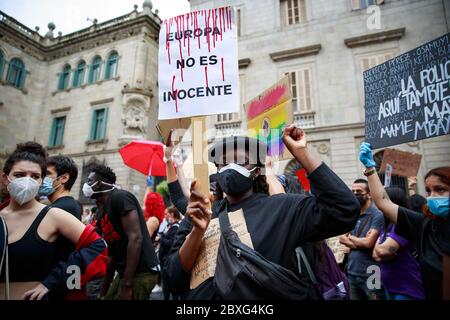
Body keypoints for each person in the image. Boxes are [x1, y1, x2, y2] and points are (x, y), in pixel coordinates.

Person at [163, 125, 360, 299]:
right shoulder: (201, 214)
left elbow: (344, 210)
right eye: (224, 163)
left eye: (241, 162)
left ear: (257, 171)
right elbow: (173, 279)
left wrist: (302, 154)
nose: (231, 168)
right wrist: (197, 233)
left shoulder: (283, 209)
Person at [0, 142, 107, 300]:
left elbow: (99, 248)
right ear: (5, 178)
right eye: (19, 175)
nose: (27, 181)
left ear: (41, 180)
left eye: (35, 176)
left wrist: (54, 281)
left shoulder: (54, 215)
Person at [360, 142, 450, 300]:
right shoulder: (425, 225)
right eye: (429, 190)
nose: (433, 196)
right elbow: (383, 202)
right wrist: (370, 169)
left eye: (440, 190)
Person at [83, 164, 159, 300]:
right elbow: (112, 254)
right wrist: (103, 292)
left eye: (89, 181)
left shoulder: (120, 198)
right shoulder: (101, 213)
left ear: (99, 184)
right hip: (124, 273)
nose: (86, 185)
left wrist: (127, 285)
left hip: (141, 273)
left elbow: (135, 238)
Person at [372, 187, 425, 300]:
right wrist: (384, 253)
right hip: (391, 286)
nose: (378, 206)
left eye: (382, 201)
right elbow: (375, 255)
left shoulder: (403, 226)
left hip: (407, 288)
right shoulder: (386, 226)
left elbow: (382, 250)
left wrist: (382, 251)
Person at [339, 178, 385, 300]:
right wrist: (361, 242)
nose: (354, 195)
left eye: (358, 192)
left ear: (369, 195)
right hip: (352, 272)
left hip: (372, 273)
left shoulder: (377, 215)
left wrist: (352, 238)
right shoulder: (353, 215)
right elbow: (342, 239)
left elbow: (369, 243)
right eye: (352, 191)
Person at [158, 206, 182, 300]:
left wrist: (161, 239)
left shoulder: (176, 227)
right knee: (166, 285)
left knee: (169, 285)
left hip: (169, 259)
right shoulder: (170, 226)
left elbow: (172, 243)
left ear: (172, 214)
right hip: (165, 259)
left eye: (166, 214)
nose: (165, 216)